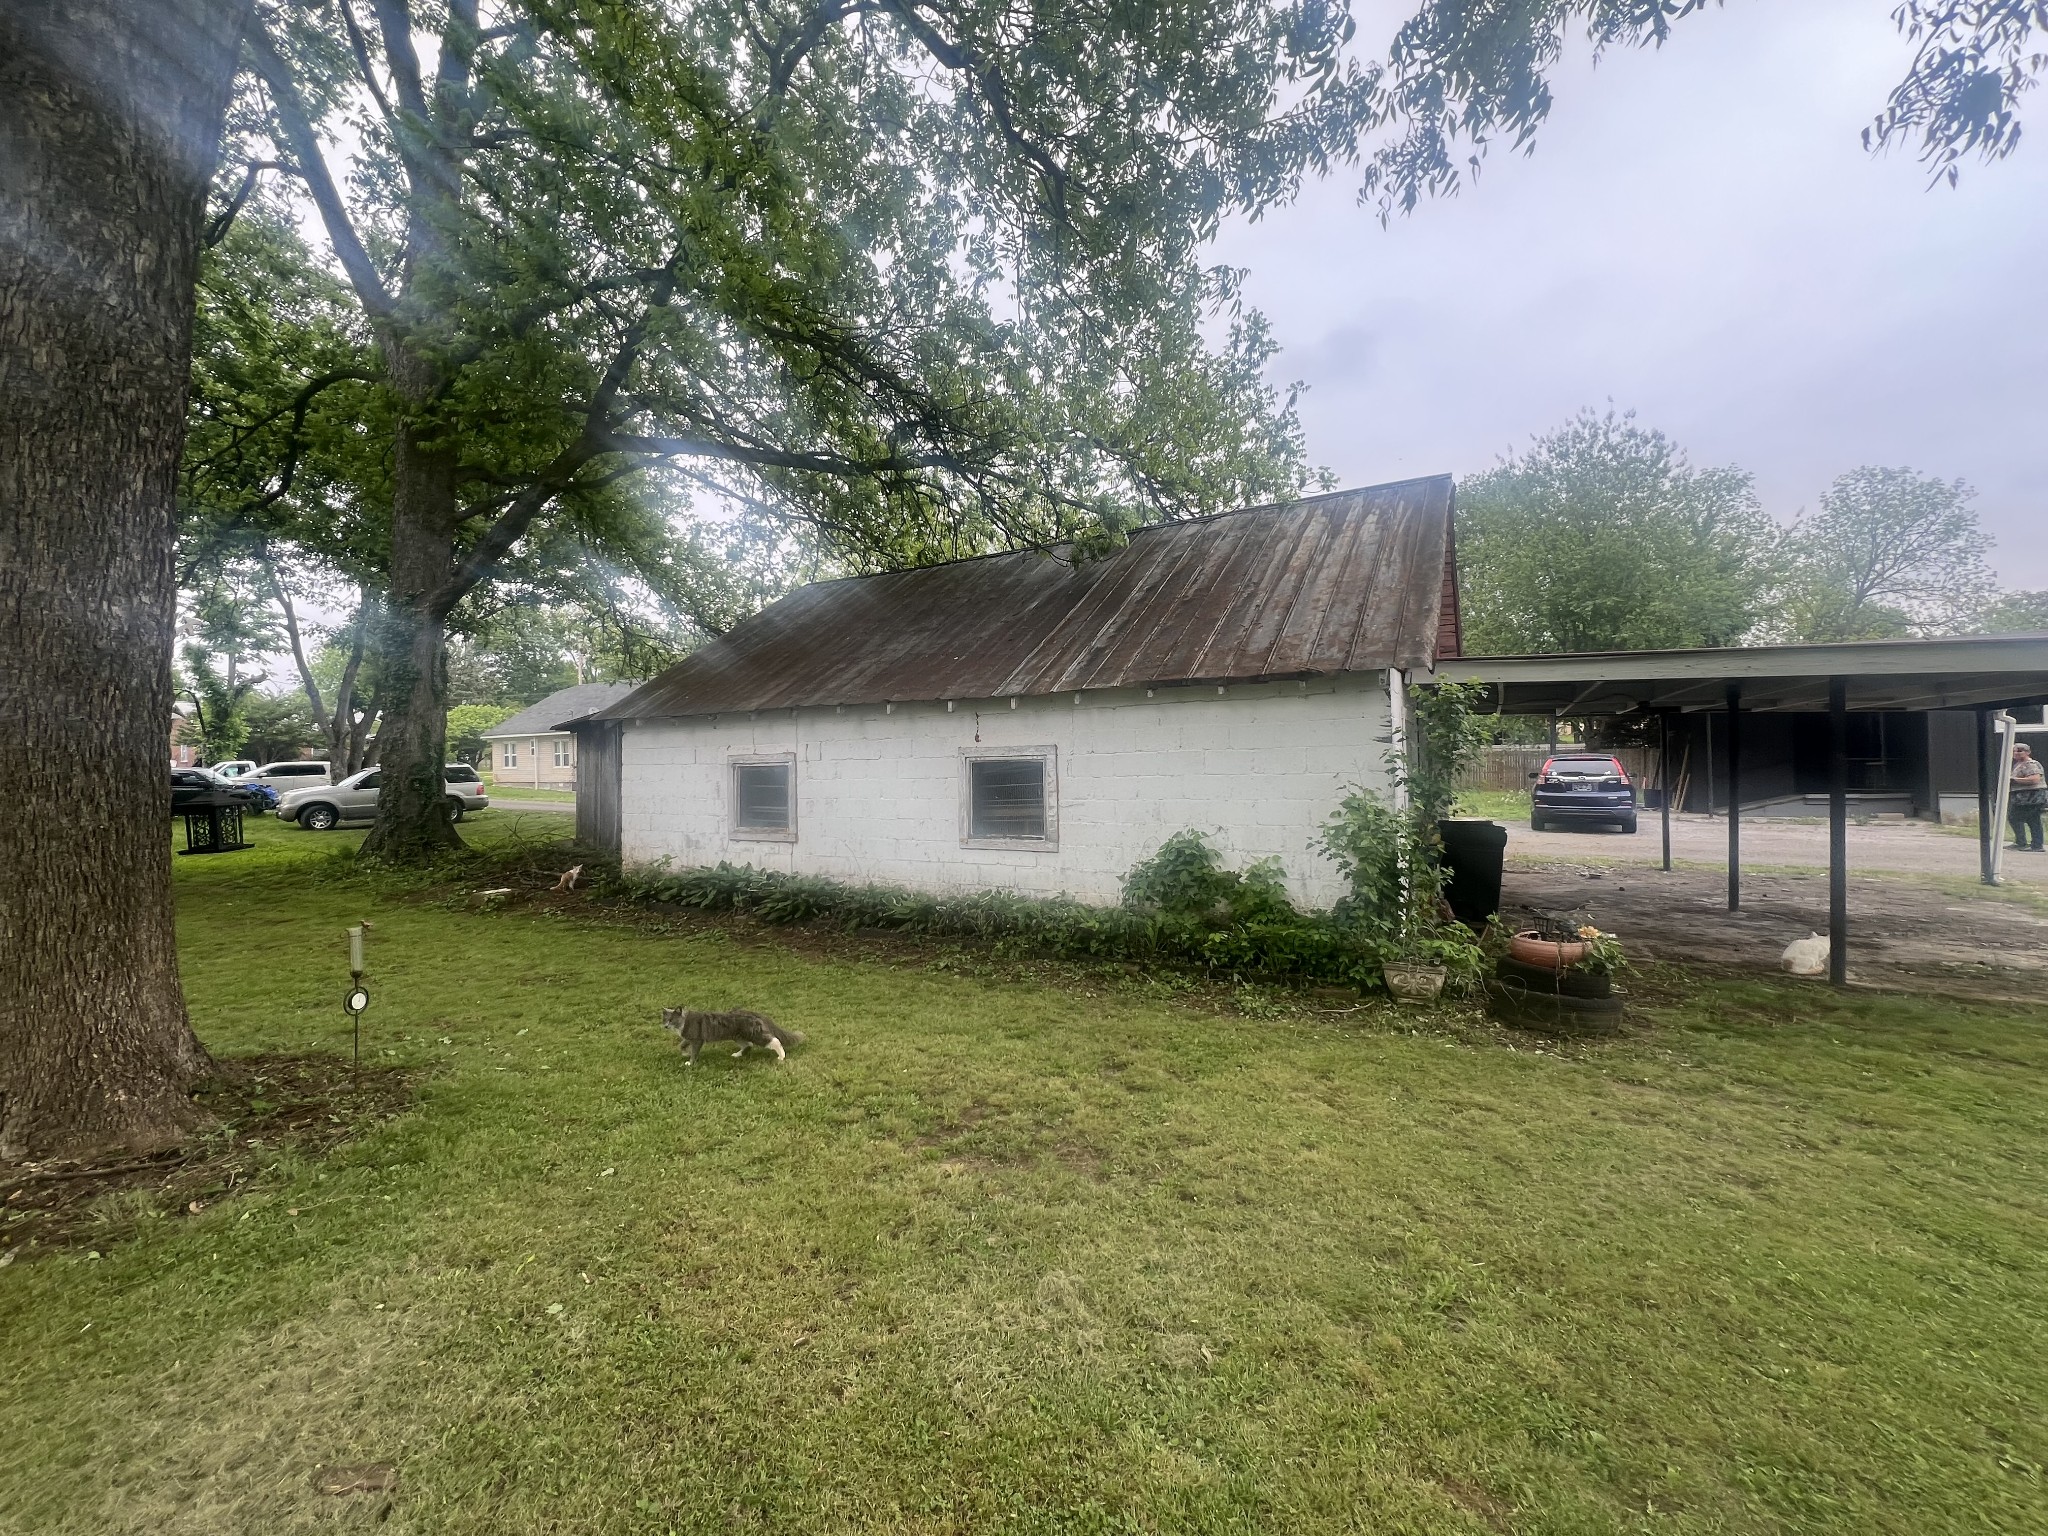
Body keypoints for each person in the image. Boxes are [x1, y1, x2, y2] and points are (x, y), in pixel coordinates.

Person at [2008, 741, 2046, 851]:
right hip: (2022, 797)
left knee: (2030, 819)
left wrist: (2014, 780)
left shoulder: (2031, 764)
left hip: (2032, 796)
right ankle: (2024, 842)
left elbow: (2035, 779)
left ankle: (2034, 845)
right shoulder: (2018, 765)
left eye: (2020, 751)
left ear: (2028, 752)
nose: (2017, 753)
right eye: (2015, 751)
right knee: (2017, 818)